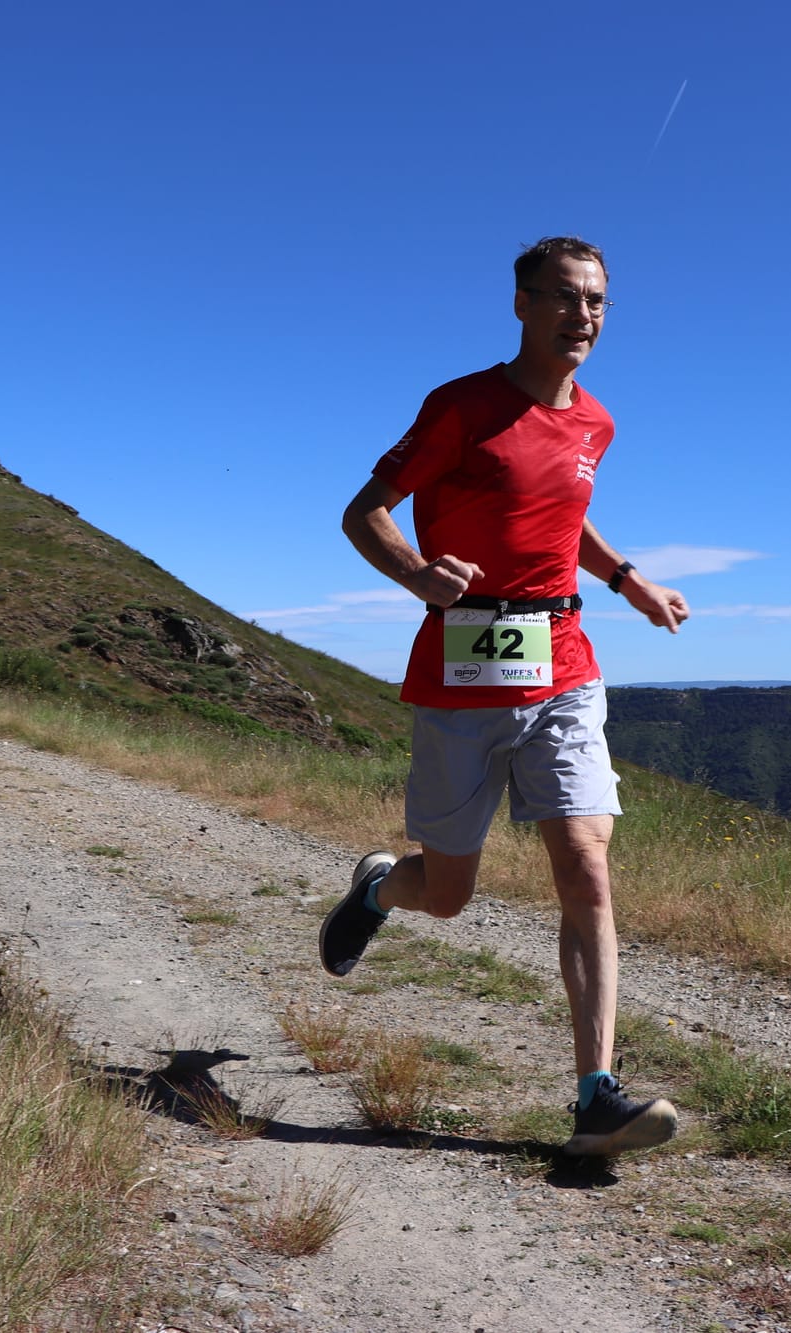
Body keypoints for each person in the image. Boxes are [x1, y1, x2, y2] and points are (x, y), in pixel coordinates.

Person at [324, 237, 691, 1156]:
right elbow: (363, 510)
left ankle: (596, 1098)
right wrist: (416, 572)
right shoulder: (461, 406)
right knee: (447, 894)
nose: (585, 317)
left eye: (599, 302)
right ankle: (380, 887)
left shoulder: (597, 422)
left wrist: (627, 579)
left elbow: (566, 516)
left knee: (587, 866)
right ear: (523, 304)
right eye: (566, 298)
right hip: (464, 662)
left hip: (564, 656)